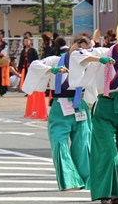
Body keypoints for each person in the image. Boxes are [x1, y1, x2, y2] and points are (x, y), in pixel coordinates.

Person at [69, 28, 118, 204]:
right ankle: (105, 192)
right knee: (107, 151)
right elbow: (76, 56)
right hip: (105, 105)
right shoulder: (103, 52)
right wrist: (98, 59)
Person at [24, 36, 95, 190]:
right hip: (59, 106)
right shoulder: (55, 60)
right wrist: (51, 70)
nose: (79, 50)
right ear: (71, 45)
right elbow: (36, 65)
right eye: (78, 45)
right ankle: (69, 179)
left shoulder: (89, 64)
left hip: (80, 106)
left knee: (82, 145)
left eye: (85, 48)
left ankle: (87, 178)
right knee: (58, 141)